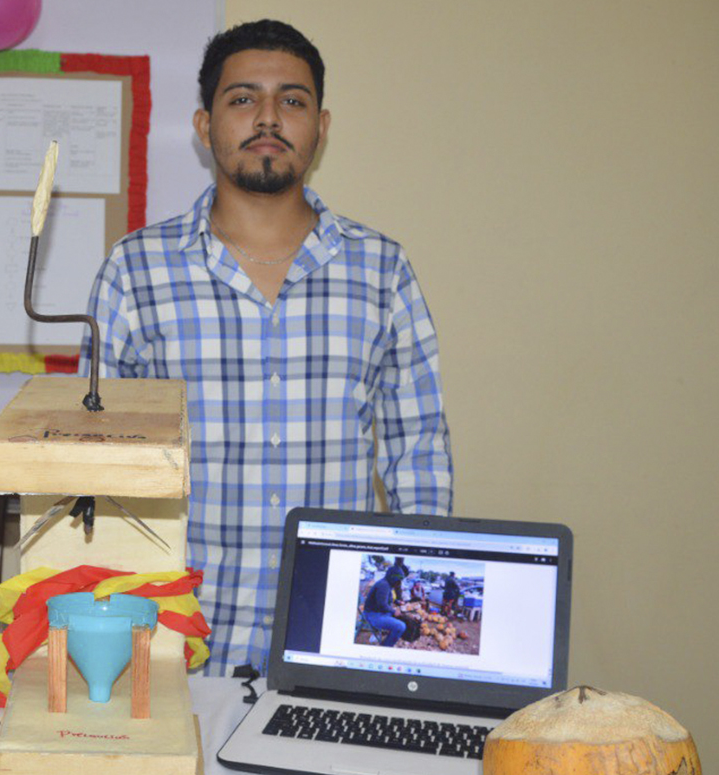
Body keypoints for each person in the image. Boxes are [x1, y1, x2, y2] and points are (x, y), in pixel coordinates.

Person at [79, 19, 452, 676]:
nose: (269, 118)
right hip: (173, 640)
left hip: (334, 641)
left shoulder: (381, 271)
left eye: (293, 100)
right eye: (243, 98)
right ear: (204, 125)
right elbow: (96, 464)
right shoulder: (136, 271)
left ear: (320, 125)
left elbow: (418, 459)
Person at [363, 562, 408, 648]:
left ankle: (390, 636)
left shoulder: (387, 584)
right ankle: (386, 646)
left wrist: (397, 602)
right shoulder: (384, 585)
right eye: (398, 580)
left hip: (379, 612)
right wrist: (394, 611)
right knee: (401, 626)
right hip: (373, 615)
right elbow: (382, 605)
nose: (399, 583)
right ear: (393, 577)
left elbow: (388, 600)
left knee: (400, 619)